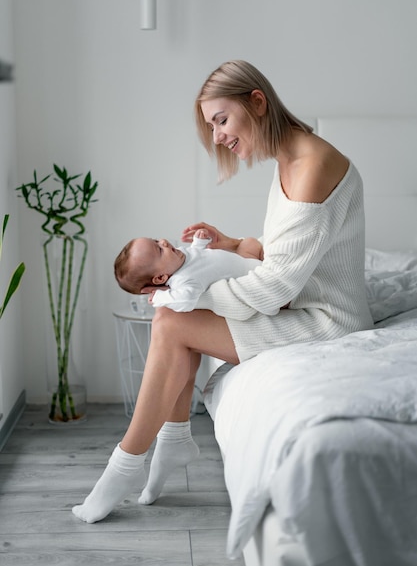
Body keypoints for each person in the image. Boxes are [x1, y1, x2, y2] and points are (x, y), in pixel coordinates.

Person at [72, 59, 374, 523]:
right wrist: (232, 244)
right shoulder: (290, 159)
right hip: (301, 304)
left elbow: (274, 287)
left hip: (327, 324)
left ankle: (129, 464)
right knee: (172, 319)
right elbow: (286, 251)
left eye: (221, 120)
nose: (217, 137)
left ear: (257, 101)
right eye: (213, 125)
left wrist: (186, 293)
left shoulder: (312, 165)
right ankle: (167, 444)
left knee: (171, 320)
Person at [114, 228, 262, 312]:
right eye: (159, 250)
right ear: (160, 278)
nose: (163, 242)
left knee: (250, 243)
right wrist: (159, 297)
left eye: (156, 240)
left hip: (245, 261)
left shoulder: (179, 257)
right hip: (252, 277)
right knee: (252, 246)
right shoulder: (183, 280)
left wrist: (199, 242)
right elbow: (185, 299)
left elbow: (198, 257)